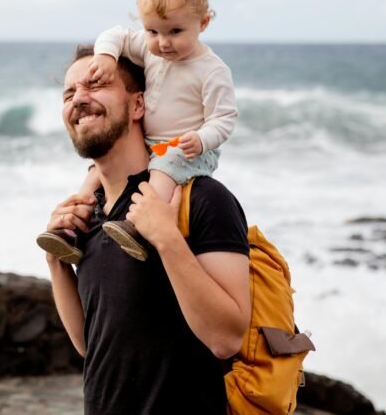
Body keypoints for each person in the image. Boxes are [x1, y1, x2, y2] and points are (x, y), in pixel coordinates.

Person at [44, 45, 250, 414]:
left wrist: (167, 238)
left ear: (138, 105)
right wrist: (55, 261)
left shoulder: (200, 198)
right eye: (69, 93)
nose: (79, 99)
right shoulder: (89, 214)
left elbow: (227, 338)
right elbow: (90, 346)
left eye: (95, 84)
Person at [37, 0, 237, 263]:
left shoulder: (212, 71)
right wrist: (106, 57)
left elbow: (224, 118)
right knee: (95, 174)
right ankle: (73, 230)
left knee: (162, 168)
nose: (163, 42)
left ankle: (137, 228)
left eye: (175, 31)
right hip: (153, 143)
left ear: (203, 23)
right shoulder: (150, 49)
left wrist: (201, 138)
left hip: (188, 148)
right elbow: (114, 35)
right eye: (152, 30)